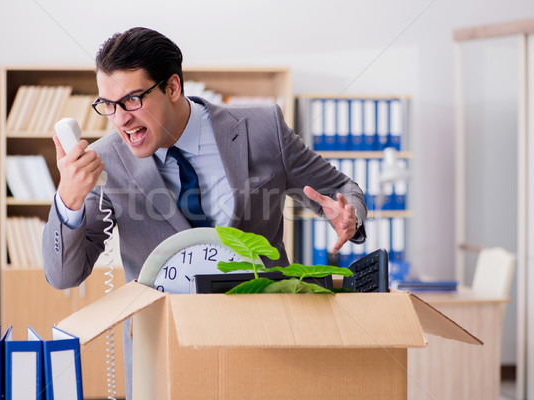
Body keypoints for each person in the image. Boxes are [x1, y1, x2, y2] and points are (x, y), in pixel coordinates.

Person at [42, 27, 367, 398]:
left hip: (265, 344)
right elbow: (63, 274)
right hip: (165, 356)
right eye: (108, 104)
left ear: (173, 87)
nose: (120, 119)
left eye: (132, 100)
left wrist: (349, 215)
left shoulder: (263, 130)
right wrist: (68, 200)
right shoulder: (107, 162)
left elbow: (342, 190)